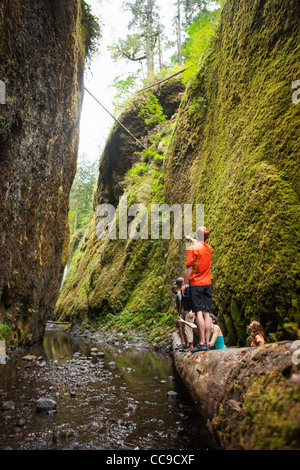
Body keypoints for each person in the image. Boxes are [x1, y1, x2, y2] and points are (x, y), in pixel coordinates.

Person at [182, 226, 213, 352]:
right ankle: (206, 342)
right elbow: (199, 243)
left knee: (198, 312)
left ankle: (200, 343)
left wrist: (184, 284)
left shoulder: (193, 249)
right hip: (207, 283)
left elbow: (189, 268)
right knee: (206, 313)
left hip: (196, 283)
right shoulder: (209, 248)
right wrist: (191, 239)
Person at [175, 277, 195, 351]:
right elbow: (182, 302)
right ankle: (187, 345)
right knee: (183, 328)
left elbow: (194, 300)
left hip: (190, 311)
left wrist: (192, 310)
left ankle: (191, 346)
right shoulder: (182, 290)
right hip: (185, 310)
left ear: (180, 284)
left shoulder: (189, 289)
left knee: (188, 328)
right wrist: (180, 313)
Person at [172, 283, 186, 349]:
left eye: (173, 290)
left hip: (182, 313)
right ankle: (184, 343)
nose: (172, 292)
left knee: (180, 327)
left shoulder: (179, 294)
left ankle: (183, 343)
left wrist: (180, 312)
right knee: (181, 327)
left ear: (175, 289)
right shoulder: (180, 294)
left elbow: (181, 302)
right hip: (182, 312)